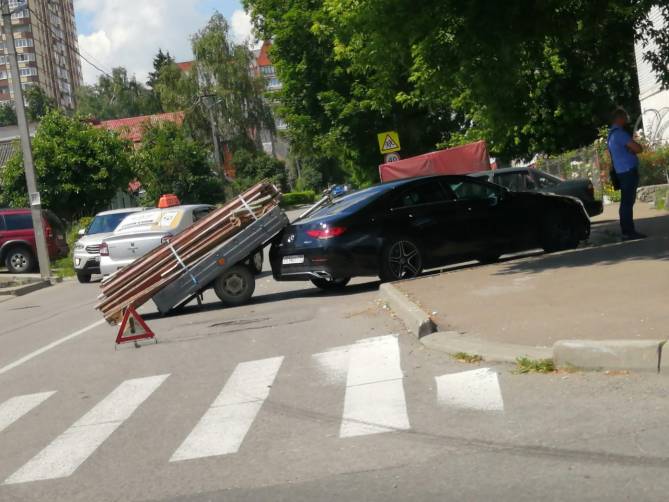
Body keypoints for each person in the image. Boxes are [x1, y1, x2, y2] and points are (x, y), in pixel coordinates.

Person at [607, 107, 646, 240]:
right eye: (624, 117)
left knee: (626, 202)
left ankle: (626, 230)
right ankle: (629, 231)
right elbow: (638, 148)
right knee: (628, 202)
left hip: (621, 171)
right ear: (619, 118)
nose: (626, 120)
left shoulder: (611, 135)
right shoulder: (620, 134)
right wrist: (635, 149)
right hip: (628, 171)